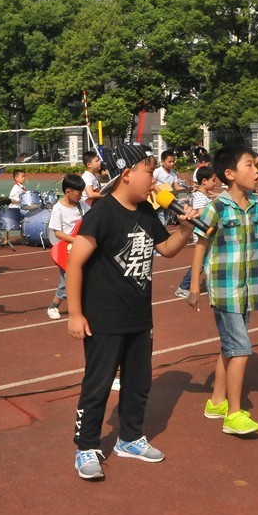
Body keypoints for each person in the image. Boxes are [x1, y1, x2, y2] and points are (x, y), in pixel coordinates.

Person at [67, 144, 198, 480]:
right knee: (98, 384)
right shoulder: (102, 213)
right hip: (104, 319)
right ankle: (86, 446)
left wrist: (184, 229)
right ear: (126, 175)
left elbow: (166, 250)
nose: (154, 182)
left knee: (138, 382)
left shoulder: (146, 213)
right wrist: (75, 313)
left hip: (139, 317)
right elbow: (75, 262)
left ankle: (129, 438)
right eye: (149, 174)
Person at [186, 144, 258, 435]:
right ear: (230, 173)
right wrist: (195, 286)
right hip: (226, 290)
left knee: (231, 346)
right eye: (249, 165)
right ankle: (234, 414)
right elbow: (201, 244)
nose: (257, 171)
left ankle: (216, 402)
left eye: (256, 165)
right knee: (240, 349)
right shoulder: (217, 208)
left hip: (250, 289)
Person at [46, 174, 90, 320]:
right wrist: (75, 240)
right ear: (68, 192)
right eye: (79, 193)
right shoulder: (58, 208)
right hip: (67, 250)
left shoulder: (81, 204)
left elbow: (92, 216)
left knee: (86, 278)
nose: (81, 195)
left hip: (82, 247)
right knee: (67, 281)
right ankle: (53, 306)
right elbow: (57, 232)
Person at [174, 165, 217, 299]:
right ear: (204, 181)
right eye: (213, 180)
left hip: (207, 232)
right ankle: (183, 286)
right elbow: (199, 212)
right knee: (202, 263)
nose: (215, 183)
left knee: (206, 262)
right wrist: (213, 206)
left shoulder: (204, 195)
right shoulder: (199, 197)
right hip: (201, 232)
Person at [152, 150, 187, 225]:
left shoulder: (173, 174)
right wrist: (160, 192)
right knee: (160, 218)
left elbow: (177, 187)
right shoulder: (157, 171)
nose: (172, 163)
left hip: (168, 199)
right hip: (158, 200)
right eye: (170, 161)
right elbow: (152, 183)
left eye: (173, 161)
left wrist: (189, 189)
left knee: (166, 218)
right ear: (162, 162)